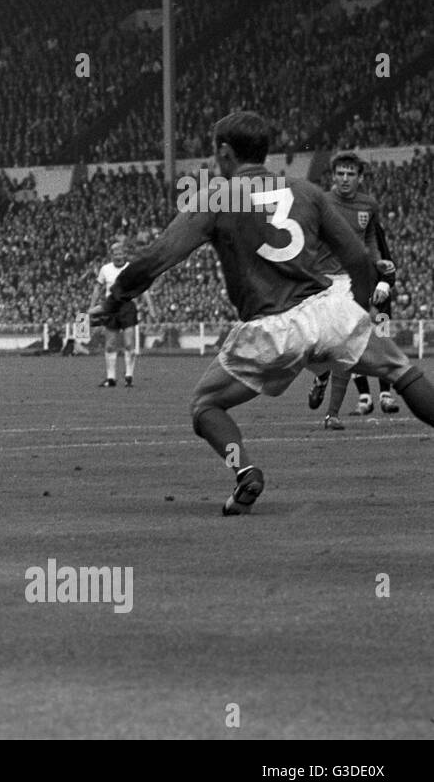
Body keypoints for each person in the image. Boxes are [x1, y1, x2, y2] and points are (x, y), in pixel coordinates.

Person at [91, 111, 434, 515]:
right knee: (402, 370)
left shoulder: (216, 196)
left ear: (224, 151)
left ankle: (245, 473)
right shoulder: (306, 191)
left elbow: (158, 257)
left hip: (270, 330)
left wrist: (115, 299)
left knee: (205, 407)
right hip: (326, 310)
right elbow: (358, 257)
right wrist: (356, 310)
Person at [306, 151, 397, 427]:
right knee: (309, 346)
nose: (345, 179)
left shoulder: (368, 205)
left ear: (359, 177)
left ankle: (332, 414)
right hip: (320, 280)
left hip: (350, 283)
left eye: (350, 174)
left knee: (346, 347)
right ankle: (321, 374)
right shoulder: (321, 201)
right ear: (333, 176)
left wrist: (376, 262)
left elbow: (369, 238)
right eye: (340, 173)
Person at [88, 240, 156, 387]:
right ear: (111, 255)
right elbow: (97, 288)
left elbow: (143, 288)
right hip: (110, 307)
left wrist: (151, 307)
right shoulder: (105, 269)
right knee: (110, 344)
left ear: (124, 254)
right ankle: (111, 378)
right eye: (115, 253)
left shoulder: (131, 268)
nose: (118, 256)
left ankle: (129, 375)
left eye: (120, 253)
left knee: (129, 342)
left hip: (127, 306)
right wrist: (91, 307)